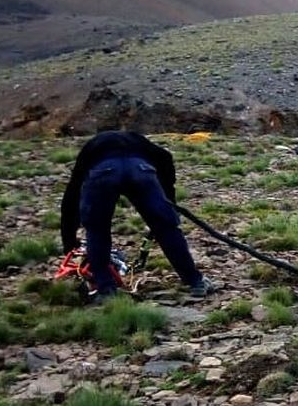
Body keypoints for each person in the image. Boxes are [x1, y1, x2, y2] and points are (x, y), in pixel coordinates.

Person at [60, 130, 214, 303]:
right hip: (141, 170)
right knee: (166, 228)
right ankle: (195, 281)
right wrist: (168, 202)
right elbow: (165, 157)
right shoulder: (137, 139)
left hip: (103, 171)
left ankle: (106, 290)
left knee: (97, 230)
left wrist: (69, 240)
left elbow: (72, 194)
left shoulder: (92, 146)